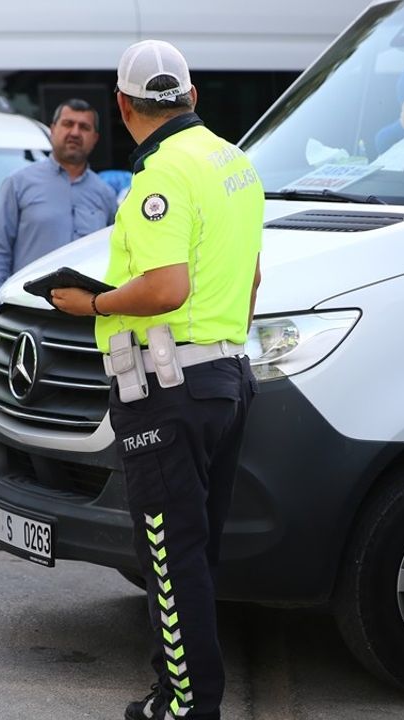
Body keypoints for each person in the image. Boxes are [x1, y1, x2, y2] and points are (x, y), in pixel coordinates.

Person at [49, 40, 261, 720]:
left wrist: (94, 304)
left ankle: (189, 706)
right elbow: (250, 278)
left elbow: (167, 286)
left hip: (167, 389)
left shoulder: (159, 177)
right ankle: (174, 692)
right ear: (190, 97)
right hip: (225, 373)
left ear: (121, 105)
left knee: (169, 558)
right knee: (195, 554)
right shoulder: (236, 164)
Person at [0, 98, 117, 335]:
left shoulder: (105, 194)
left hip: (87, 319)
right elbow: (0, 250)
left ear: (95, 138)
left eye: (84, 127)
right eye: (68, 124)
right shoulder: (19, 183)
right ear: (53, 130)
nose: (75, 132)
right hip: (28, 312)